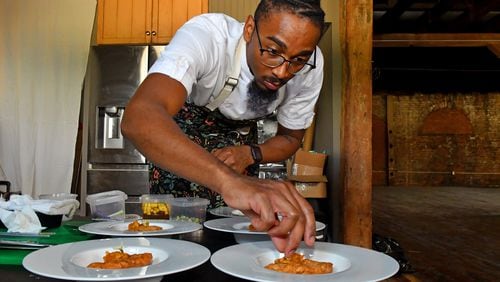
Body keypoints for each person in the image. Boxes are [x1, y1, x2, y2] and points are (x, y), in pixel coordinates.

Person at [121, 0, 325, 255]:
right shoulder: (209, 37)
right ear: (249, 29)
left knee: (236, 244)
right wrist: (229, 181)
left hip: (241, 151)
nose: (283, 72)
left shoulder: (311, 67)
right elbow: (139, 119)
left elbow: (291, 139)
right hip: (180, 145)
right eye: (272, 51)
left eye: (298, 60)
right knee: (178, 244)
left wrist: (249, 154)